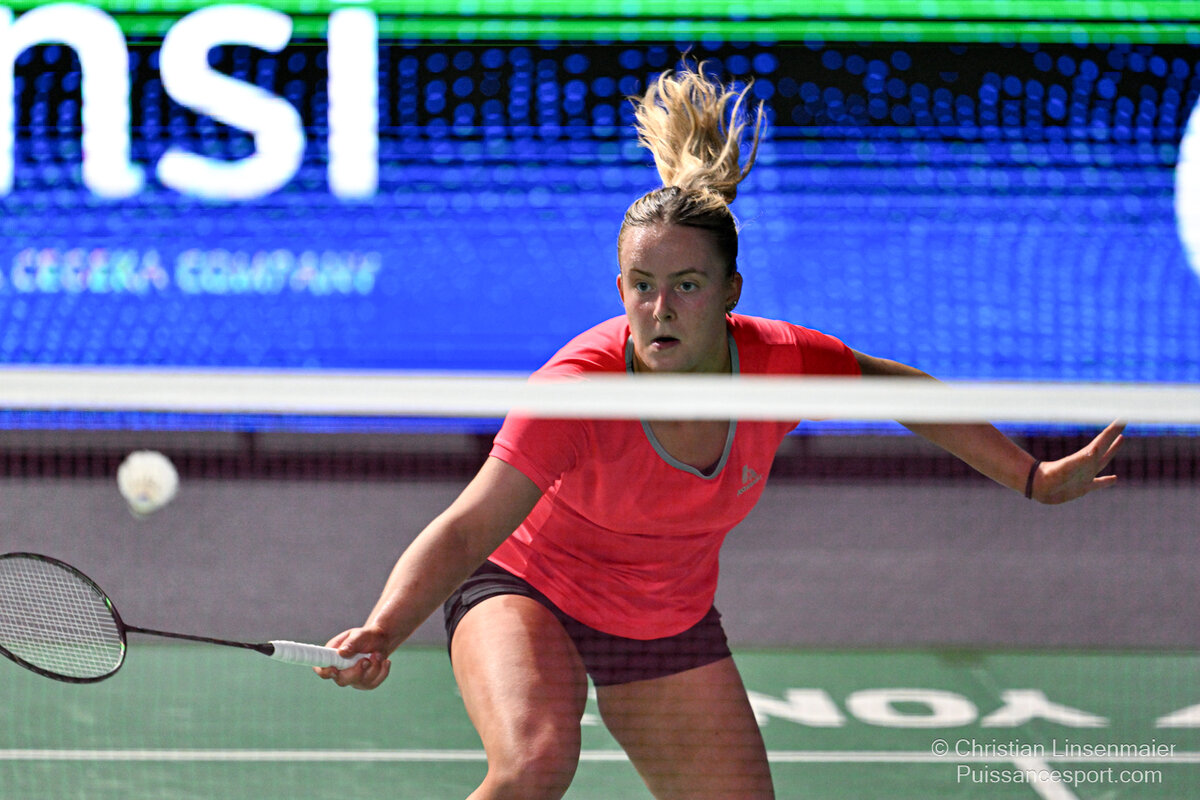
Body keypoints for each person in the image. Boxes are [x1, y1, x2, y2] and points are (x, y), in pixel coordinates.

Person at [316, 63, 1124, 799]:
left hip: (662, 615)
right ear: (621, 288)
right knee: (534, 764)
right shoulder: (577, 392)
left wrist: (1030, 477)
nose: (660, 308)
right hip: (531, 588)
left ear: (731, 289)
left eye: (687, 285)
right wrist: (386, 626)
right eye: (642, 286)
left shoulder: (779, 364)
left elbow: (897, 389)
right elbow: (468, 527)